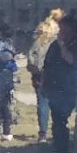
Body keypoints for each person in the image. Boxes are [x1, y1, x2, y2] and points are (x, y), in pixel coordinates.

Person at [41, 16, 77, 153]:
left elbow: (71, 60)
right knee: (56, 122)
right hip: (53, 88)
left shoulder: (75, 46)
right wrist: (43, 84)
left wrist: (63, 46)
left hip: (68, 89)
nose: (62, 32)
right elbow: (47, 65)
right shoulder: (54, 46)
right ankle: (56, 151)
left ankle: (63, 152)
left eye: (65, 29)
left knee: (61, 121)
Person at [26, 9, 62, 142]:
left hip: (39, 77)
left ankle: (43, 133)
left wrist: (36, 71)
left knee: (42, 104)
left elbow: (30, 62)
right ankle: (58, 131)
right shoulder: (58, 44)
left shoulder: (37, 44)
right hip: (55, 77)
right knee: (57, 104)